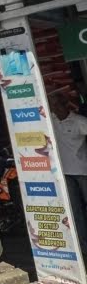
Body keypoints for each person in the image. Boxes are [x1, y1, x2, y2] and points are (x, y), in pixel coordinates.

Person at [48, 90, 87, 255]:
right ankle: (84, 247)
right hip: (64, 174)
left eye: (57, 104)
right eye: (52, 105)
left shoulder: (79, 122)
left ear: (65, 105)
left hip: (83, 171)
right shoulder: (50, 121)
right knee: (75, 211)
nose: (54, 108)